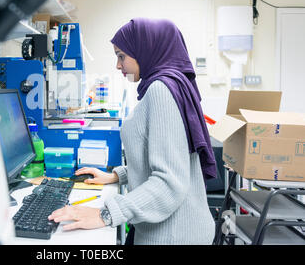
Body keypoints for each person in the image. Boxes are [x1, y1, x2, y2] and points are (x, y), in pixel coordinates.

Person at [48, 18, 217, 245]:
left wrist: (105, 214)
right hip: (175, 227)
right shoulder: (170, 85)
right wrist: (117, 175)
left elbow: (169, 182)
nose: (118, 65)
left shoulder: (161, 91)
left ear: (145, 50)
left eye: (121, 56)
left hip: (173, 234)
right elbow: (169, 158)